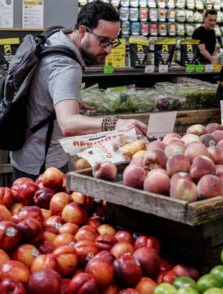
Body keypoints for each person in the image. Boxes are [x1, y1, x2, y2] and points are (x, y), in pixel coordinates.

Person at [10, 1, 147, 181]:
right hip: (43, 163)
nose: (108, 49)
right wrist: (116, 123)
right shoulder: (67, 66)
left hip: (26, 151)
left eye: (112, 42)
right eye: (103, 41)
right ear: (82, 31)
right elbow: (68, 124)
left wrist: (63, 100)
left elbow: (43, 82)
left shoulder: (56, 35)